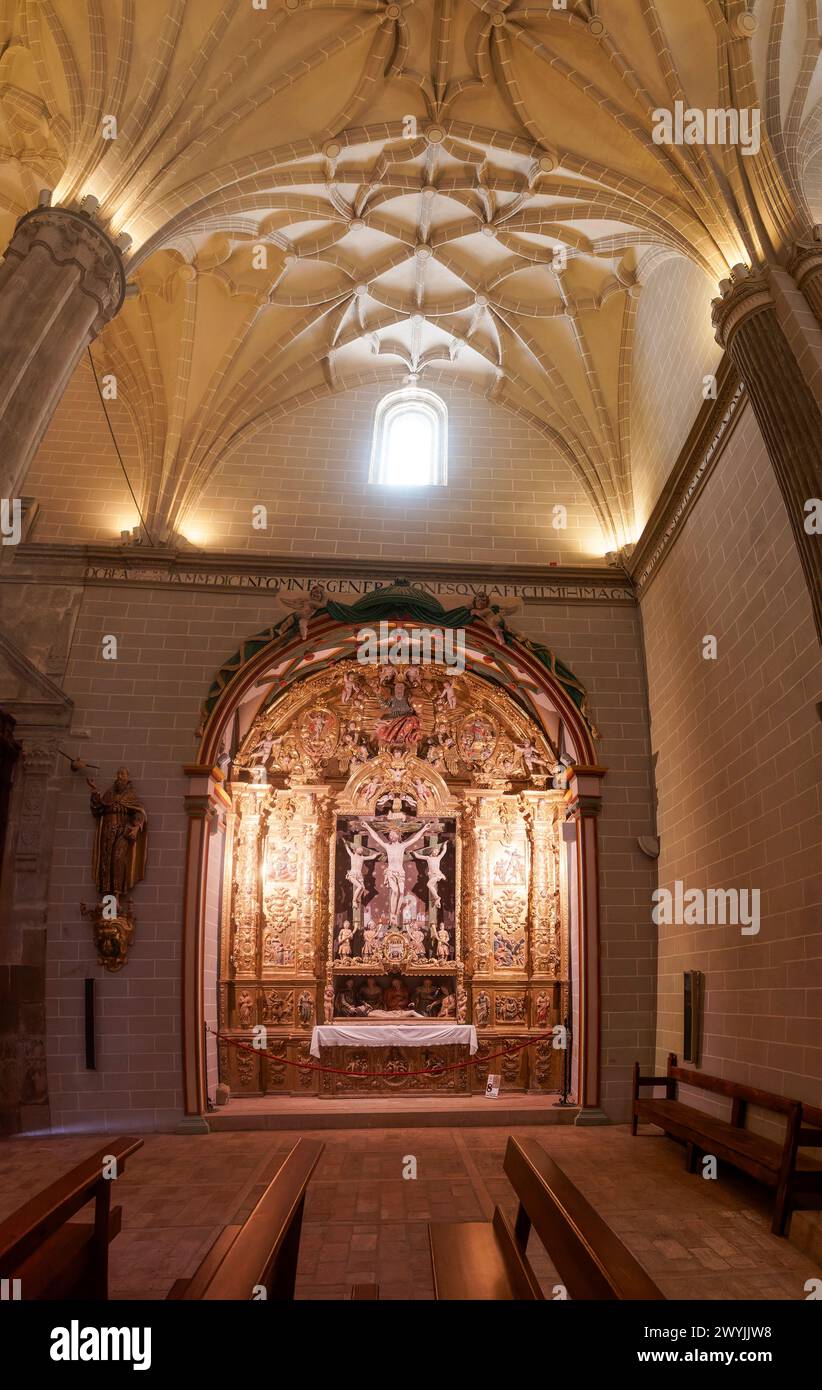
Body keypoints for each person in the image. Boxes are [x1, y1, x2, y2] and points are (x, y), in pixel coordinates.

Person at [364, 819, 433, 922]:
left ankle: (396, 913)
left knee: (401, 893)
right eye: (390, 835)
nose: (391, 836)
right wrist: (367, 827)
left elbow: (415, 838)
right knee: (395, 891)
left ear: (398, 835)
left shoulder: (402, 846)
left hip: (400, 873)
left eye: (394, 834)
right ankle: (392, 913)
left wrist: (423, 829)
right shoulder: (387, 846)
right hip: (391, 872)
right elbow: (376, 837)